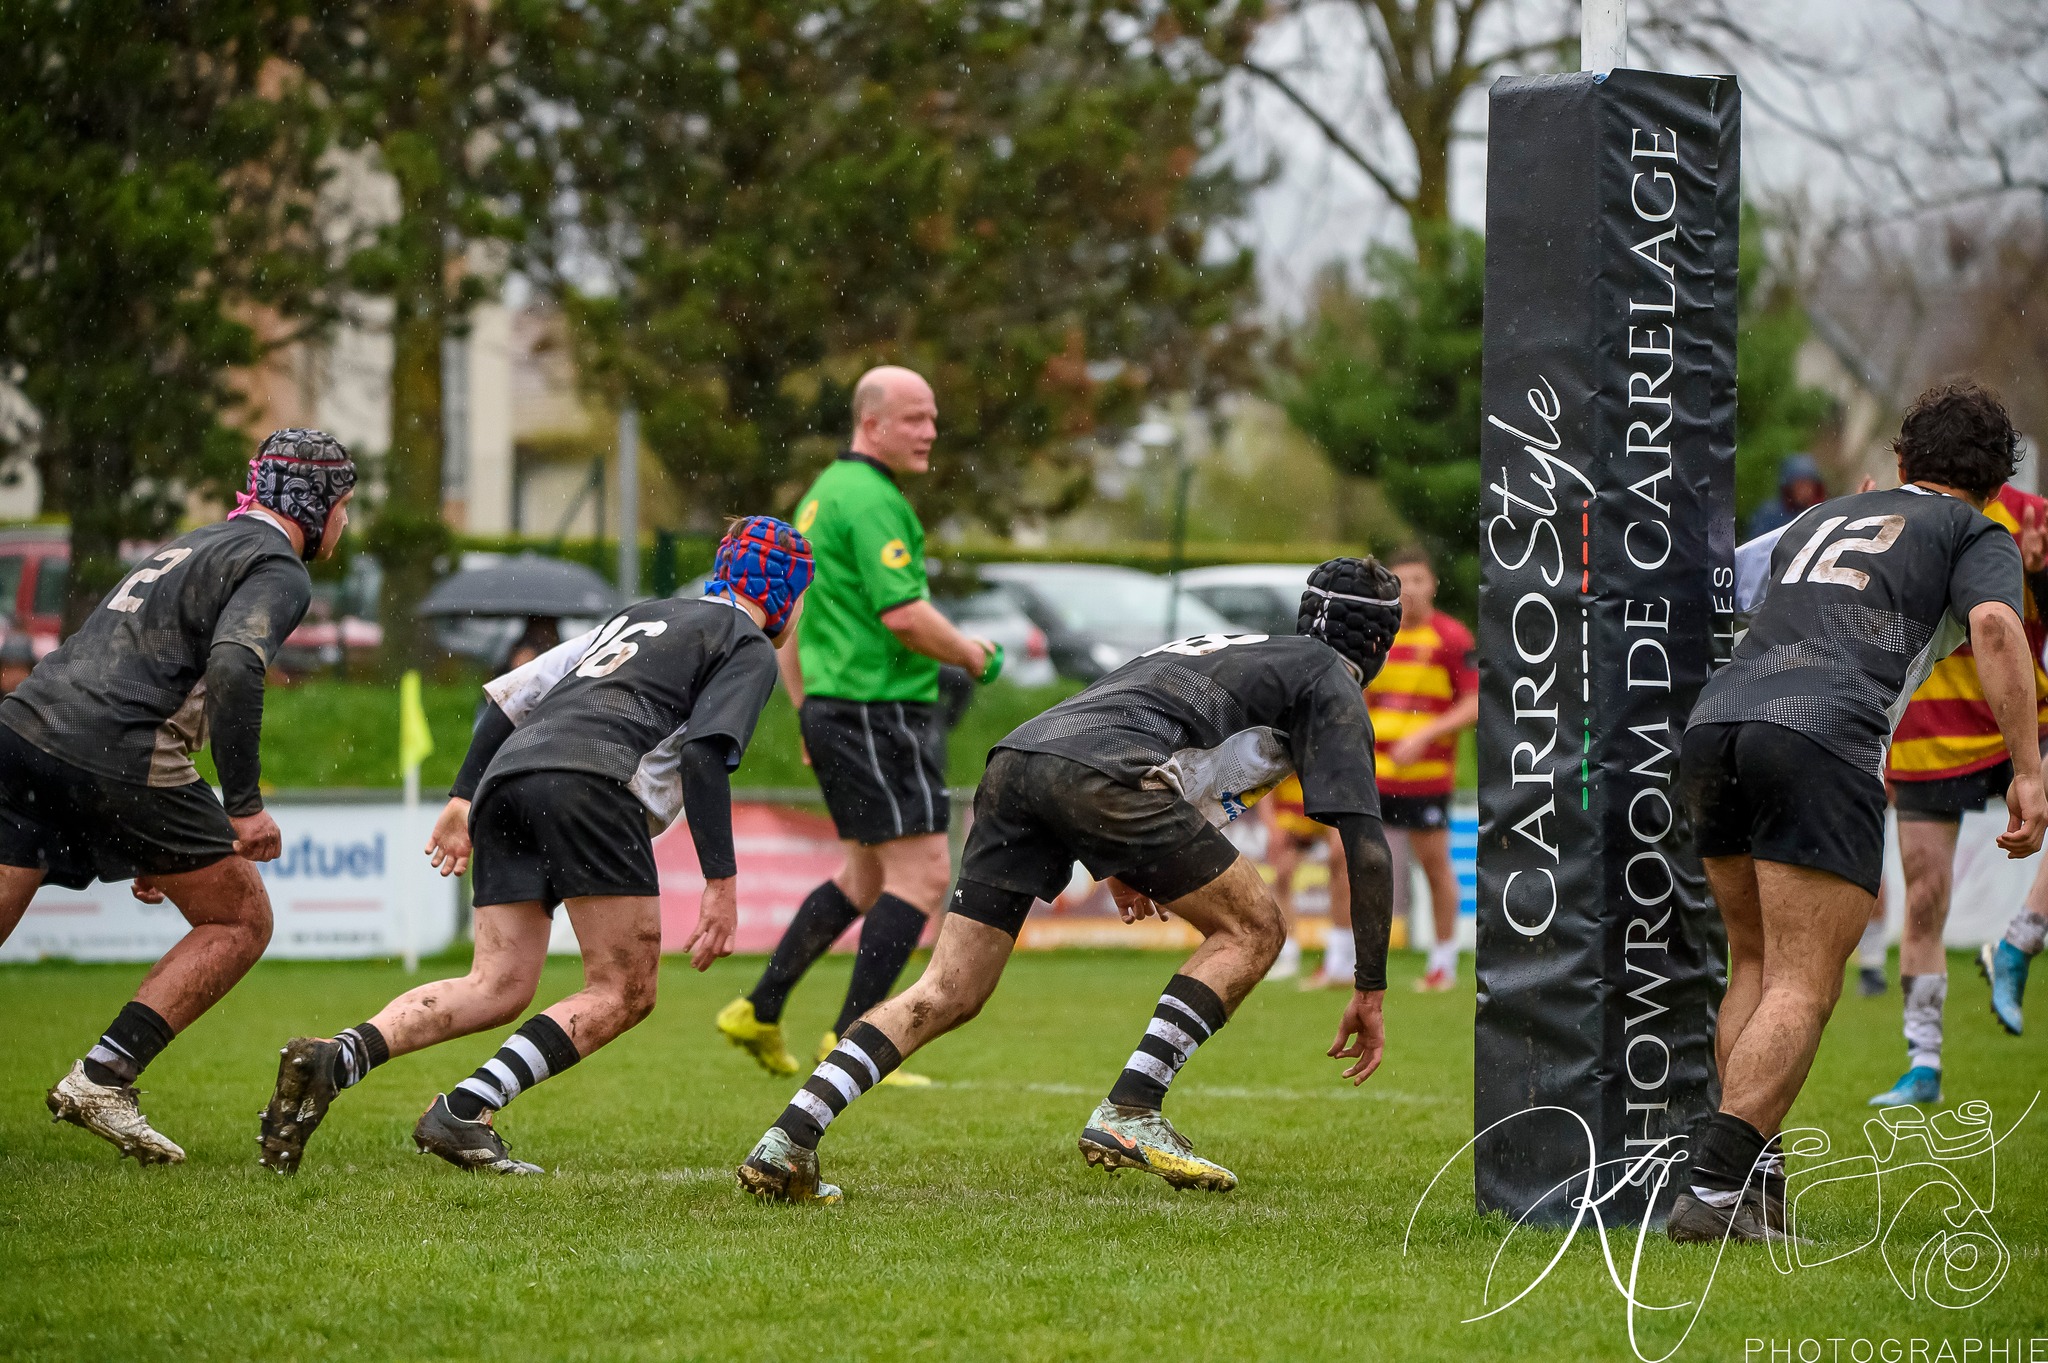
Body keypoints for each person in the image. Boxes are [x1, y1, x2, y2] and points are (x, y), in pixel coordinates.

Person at [735, 557, 1402, 1203]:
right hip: (1105, 774)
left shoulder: (1240, 650)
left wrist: (1118, 855)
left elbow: (1139, 721)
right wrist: (1369, 988)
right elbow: (1366, 848)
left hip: (1021, 761)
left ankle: (789, 1137)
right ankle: (1132, 1106)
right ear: (1377, 642)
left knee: (948, 988)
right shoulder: (1328, 677)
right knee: (1256, 925)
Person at [256, 517, 812, 1175]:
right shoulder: (743, 639)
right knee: (624, 989)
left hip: (509, 778)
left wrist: (464, 796)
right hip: (594, 783)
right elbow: (704, 755)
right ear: (780, 591)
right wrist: (722, 884)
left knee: (495, 983)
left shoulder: (639, 616)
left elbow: (514, 694)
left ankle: (336, 1056)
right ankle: (466, 1107)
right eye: (799, 598)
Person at [1670, 381, 2047, 1244]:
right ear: (1994, 481)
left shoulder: (1820, 516)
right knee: (1804, 978)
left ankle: (1750, 1192)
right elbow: (1995, 625)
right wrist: (2028, 768)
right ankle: (1716, 1188)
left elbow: (1718, 581)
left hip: (1718, 721)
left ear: (1903, 461)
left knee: (1755, 966)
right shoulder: (1974, 529)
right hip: (1820, 733)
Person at [0, 429, 353, 1163]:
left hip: (26, 725)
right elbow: (233, 666)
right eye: (345, 506)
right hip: (118, 745)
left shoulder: (191, 544)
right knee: (240, 917)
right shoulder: (278, 566)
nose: (346, 524)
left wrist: (146, 834)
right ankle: (105, 1075)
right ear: (315, 506)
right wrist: (245, 805)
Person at [716, 366, 999, 1086]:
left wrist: (807, 708)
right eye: (916, 418)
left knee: (866, 873)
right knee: (926, 873)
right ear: (872, 424)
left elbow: (793, 616)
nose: (931, 431)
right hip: (879, 711)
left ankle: (760, 1006)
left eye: (933, 418)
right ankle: (855, 1040)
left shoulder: (821, 496)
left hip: (838, 707)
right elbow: (901, 614)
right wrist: (970, 653)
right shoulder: (872, 500)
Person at [1871, 483, 2048, 1106]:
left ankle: (2021, 936)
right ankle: (1923, 1064)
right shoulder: (1885, 512)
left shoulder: (2030, 516)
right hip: (1927, 731)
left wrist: (2041, 575)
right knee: (1925, 900)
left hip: (2016, 724)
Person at [1367, 546, 1478, 992]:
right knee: (1345, 860)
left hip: (1426, 779)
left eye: (1417, 579)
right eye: (1400, 581)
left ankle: (1443, 962)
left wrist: (1425, 735)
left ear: (1432, 584)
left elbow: (1473, 705)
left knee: (1434, 867)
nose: (1409, 590)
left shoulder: (1452, 637)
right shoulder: (1377, 636)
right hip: (1372, 776)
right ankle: (1344, 961)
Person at [1263, 776, 1351, 988]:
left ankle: (1342, 956)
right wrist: (1272, 827)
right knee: (1282, 875)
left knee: (1340, 861)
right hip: (1293, 810)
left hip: (1330, 802)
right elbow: (1265, 783)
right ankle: (1287, 953)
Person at [1744, 452, 1828, 539]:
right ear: (1789, 488)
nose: (1804, 490)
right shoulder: (1770, 515)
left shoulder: (1823, 512)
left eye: (1807, 484)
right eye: (1799, 485)